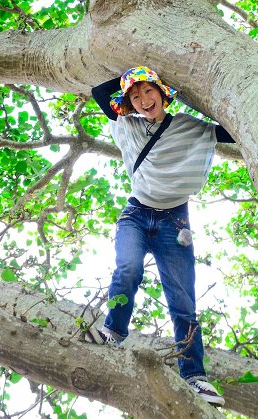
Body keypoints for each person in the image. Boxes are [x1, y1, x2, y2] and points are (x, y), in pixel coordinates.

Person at [87, 66, 235, 407]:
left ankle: (194, 376)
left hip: (175, 223)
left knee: (183, 301)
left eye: (148, 91)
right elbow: (100, 94)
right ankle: (114, 332)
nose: (143, 101)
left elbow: (230, 131)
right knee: (127, 270)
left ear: (162, 92)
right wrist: (135, 72)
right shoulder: (129, 125)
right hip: (136, 215)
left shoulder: (188, 126)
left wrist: (176, 85)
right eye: (135, 97)